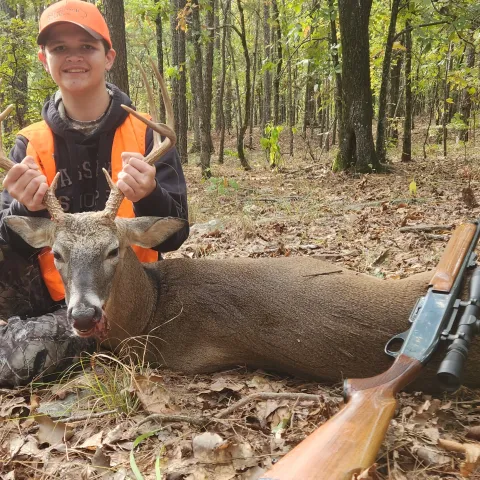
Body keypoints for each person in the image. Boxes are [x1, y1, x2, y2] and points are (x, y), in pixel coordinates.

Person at [0, 0, 189, 387]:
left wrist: (150, 195)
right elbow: (7, 243)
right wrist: (23, 206)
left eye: (86, 47)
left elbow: (175, 234)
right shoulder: (29, 143)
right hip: (50, 295)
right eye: (59, 49)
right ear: (43, 58)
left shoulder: (147, 136)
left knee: (13, 362)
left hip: (127, 296)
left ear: (109, 56)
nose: (73, 58)